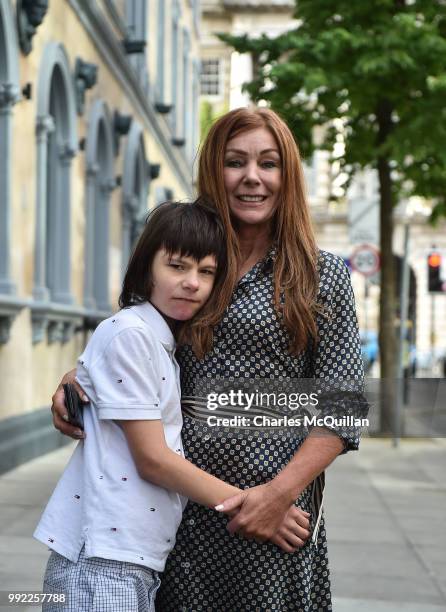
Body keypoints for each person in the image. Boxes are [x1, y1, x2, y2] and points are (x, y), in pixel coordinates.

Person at [52, 108, 365, 611]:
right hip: (177, 507)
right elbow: (136, 339)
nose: (251, 178)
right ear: (213, 171)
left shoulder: (321, 274)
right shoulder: (189, 255)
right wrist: (81, 378)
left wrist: (277, 495)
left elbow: (341, 407)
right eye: (234, 161)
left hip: (271, 515)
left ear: (288, 174)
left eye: (268, 163)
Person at [36, 200, 310, 612]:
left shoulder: (166, 342)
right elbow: (153, 459)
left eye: (206, 273)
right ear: (147, 266)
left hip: (133, 560)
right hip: (102, 561)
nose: (192, 283)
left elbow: (342, 404)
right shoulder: (133, 334)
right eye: (177, 266)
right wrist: (255, 505)